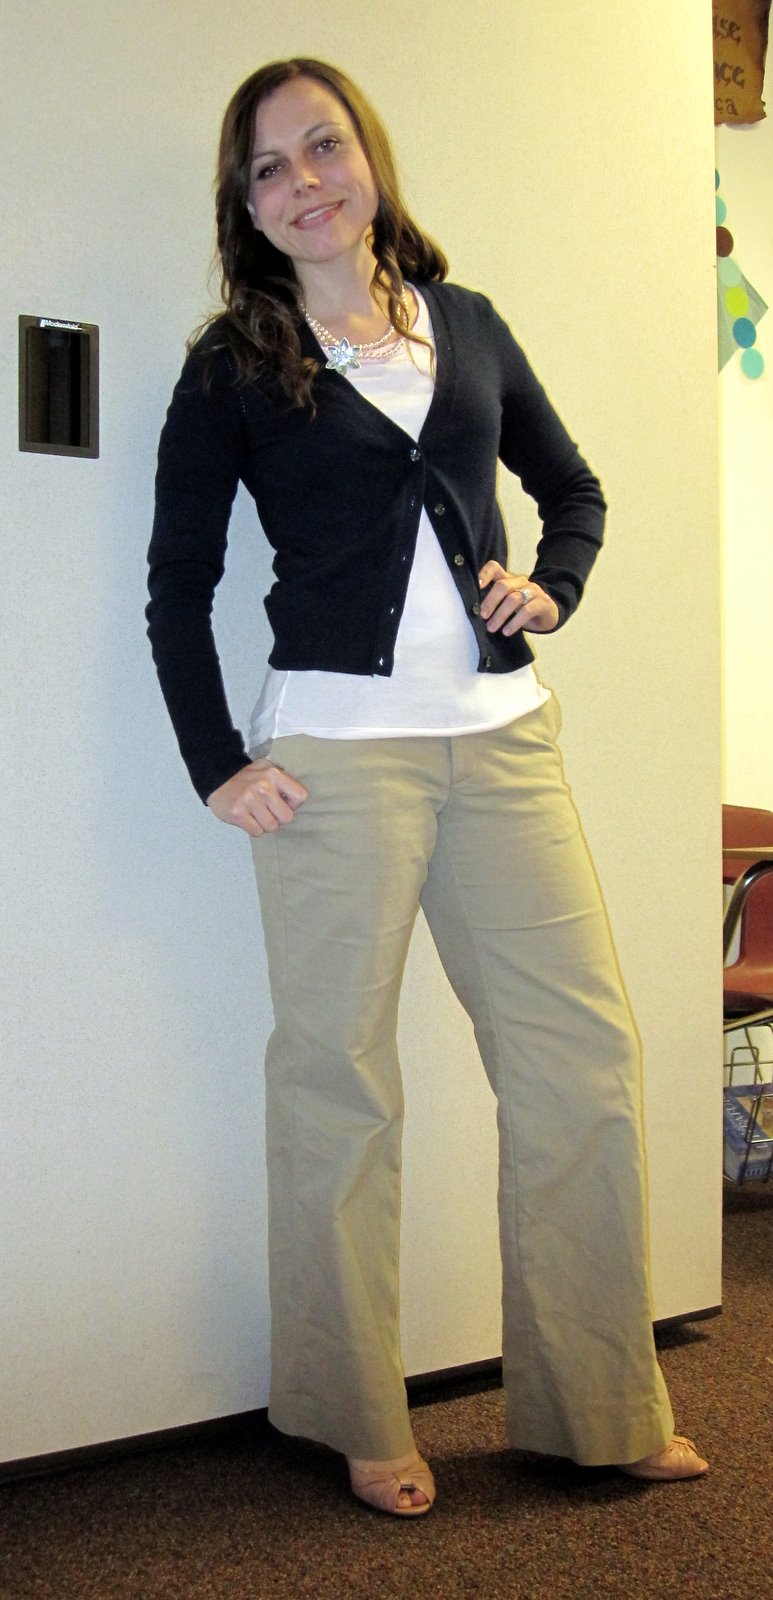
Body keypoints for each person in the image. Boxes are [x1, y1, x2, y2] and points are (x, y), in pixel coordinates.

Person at [147, 57, 708, 1518]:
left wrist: (552, 584)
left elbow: (574, 488)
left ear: (369, 158)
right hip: (332, 761)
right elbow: (177, 581)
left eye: (322, 146)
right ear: (246, 205)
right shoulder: (233, 364)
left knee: (579, 1060)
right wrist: (217, 765)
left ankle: (597, 1404)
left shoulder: (467, 326)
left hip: (502, 740)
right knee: (338, 1083)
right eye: (268, 167)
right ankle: (354, 1413)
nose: (304, 181)